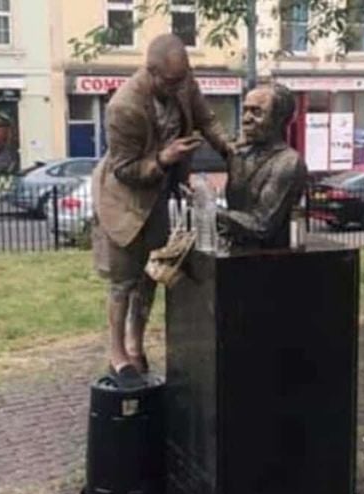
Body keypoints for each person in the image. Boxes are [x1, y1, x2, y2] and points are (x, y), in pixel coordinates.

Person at [92, 33, 230, 388]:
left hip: (163, 197)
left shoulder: (183, 82)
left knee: (152, 275)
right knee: (123, 281)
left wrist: (229, 150)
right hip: (125, 201)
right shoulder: (124, 106)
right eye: (171, 81)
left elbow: (207, 119)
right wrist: (164, 158)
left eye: (183, 78)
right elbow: (124, 169)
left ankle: (137, 345)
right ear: (151, 72)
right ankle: (117, 352)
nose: (179, 86)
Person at [217, 84, 308, 248]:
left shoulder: (288, 162)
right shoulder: (239, 156)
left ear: (279, 118)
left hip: (270, 261)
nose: (246, 119)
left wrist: (209, 212)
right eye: (245, 111)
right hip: (237, 254)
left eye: (257, 112)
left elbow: (261, 225)